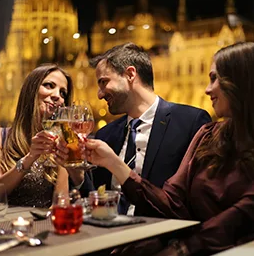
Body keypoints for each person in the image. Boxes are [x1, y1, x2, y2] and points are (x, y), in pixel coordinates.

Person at [84, 42, 254, 255]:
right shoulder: (208, 135)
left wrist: (180, 248)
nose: (207, 89)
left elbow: (243, 217)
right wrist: (114, 163)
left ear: (243, 83)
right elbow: (172, 202)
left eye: (215, 78)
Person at [78, 42, 211, 216]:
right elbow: (95, 201)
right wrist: (76, 174)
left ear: (130, 74)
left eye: (104, 82)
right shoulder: (106, 134)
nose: (99, 94)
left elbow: (195, 203)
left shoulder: (190, 123)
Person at [0, 64, 74, 208]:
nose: (58, 96)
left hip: (43, 224)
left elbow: (61, 203)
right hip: (4, 223)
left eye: (63, 93)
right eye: (49, 85)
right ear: (31, 90)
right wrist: (30, 157)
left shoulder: (60, 142)